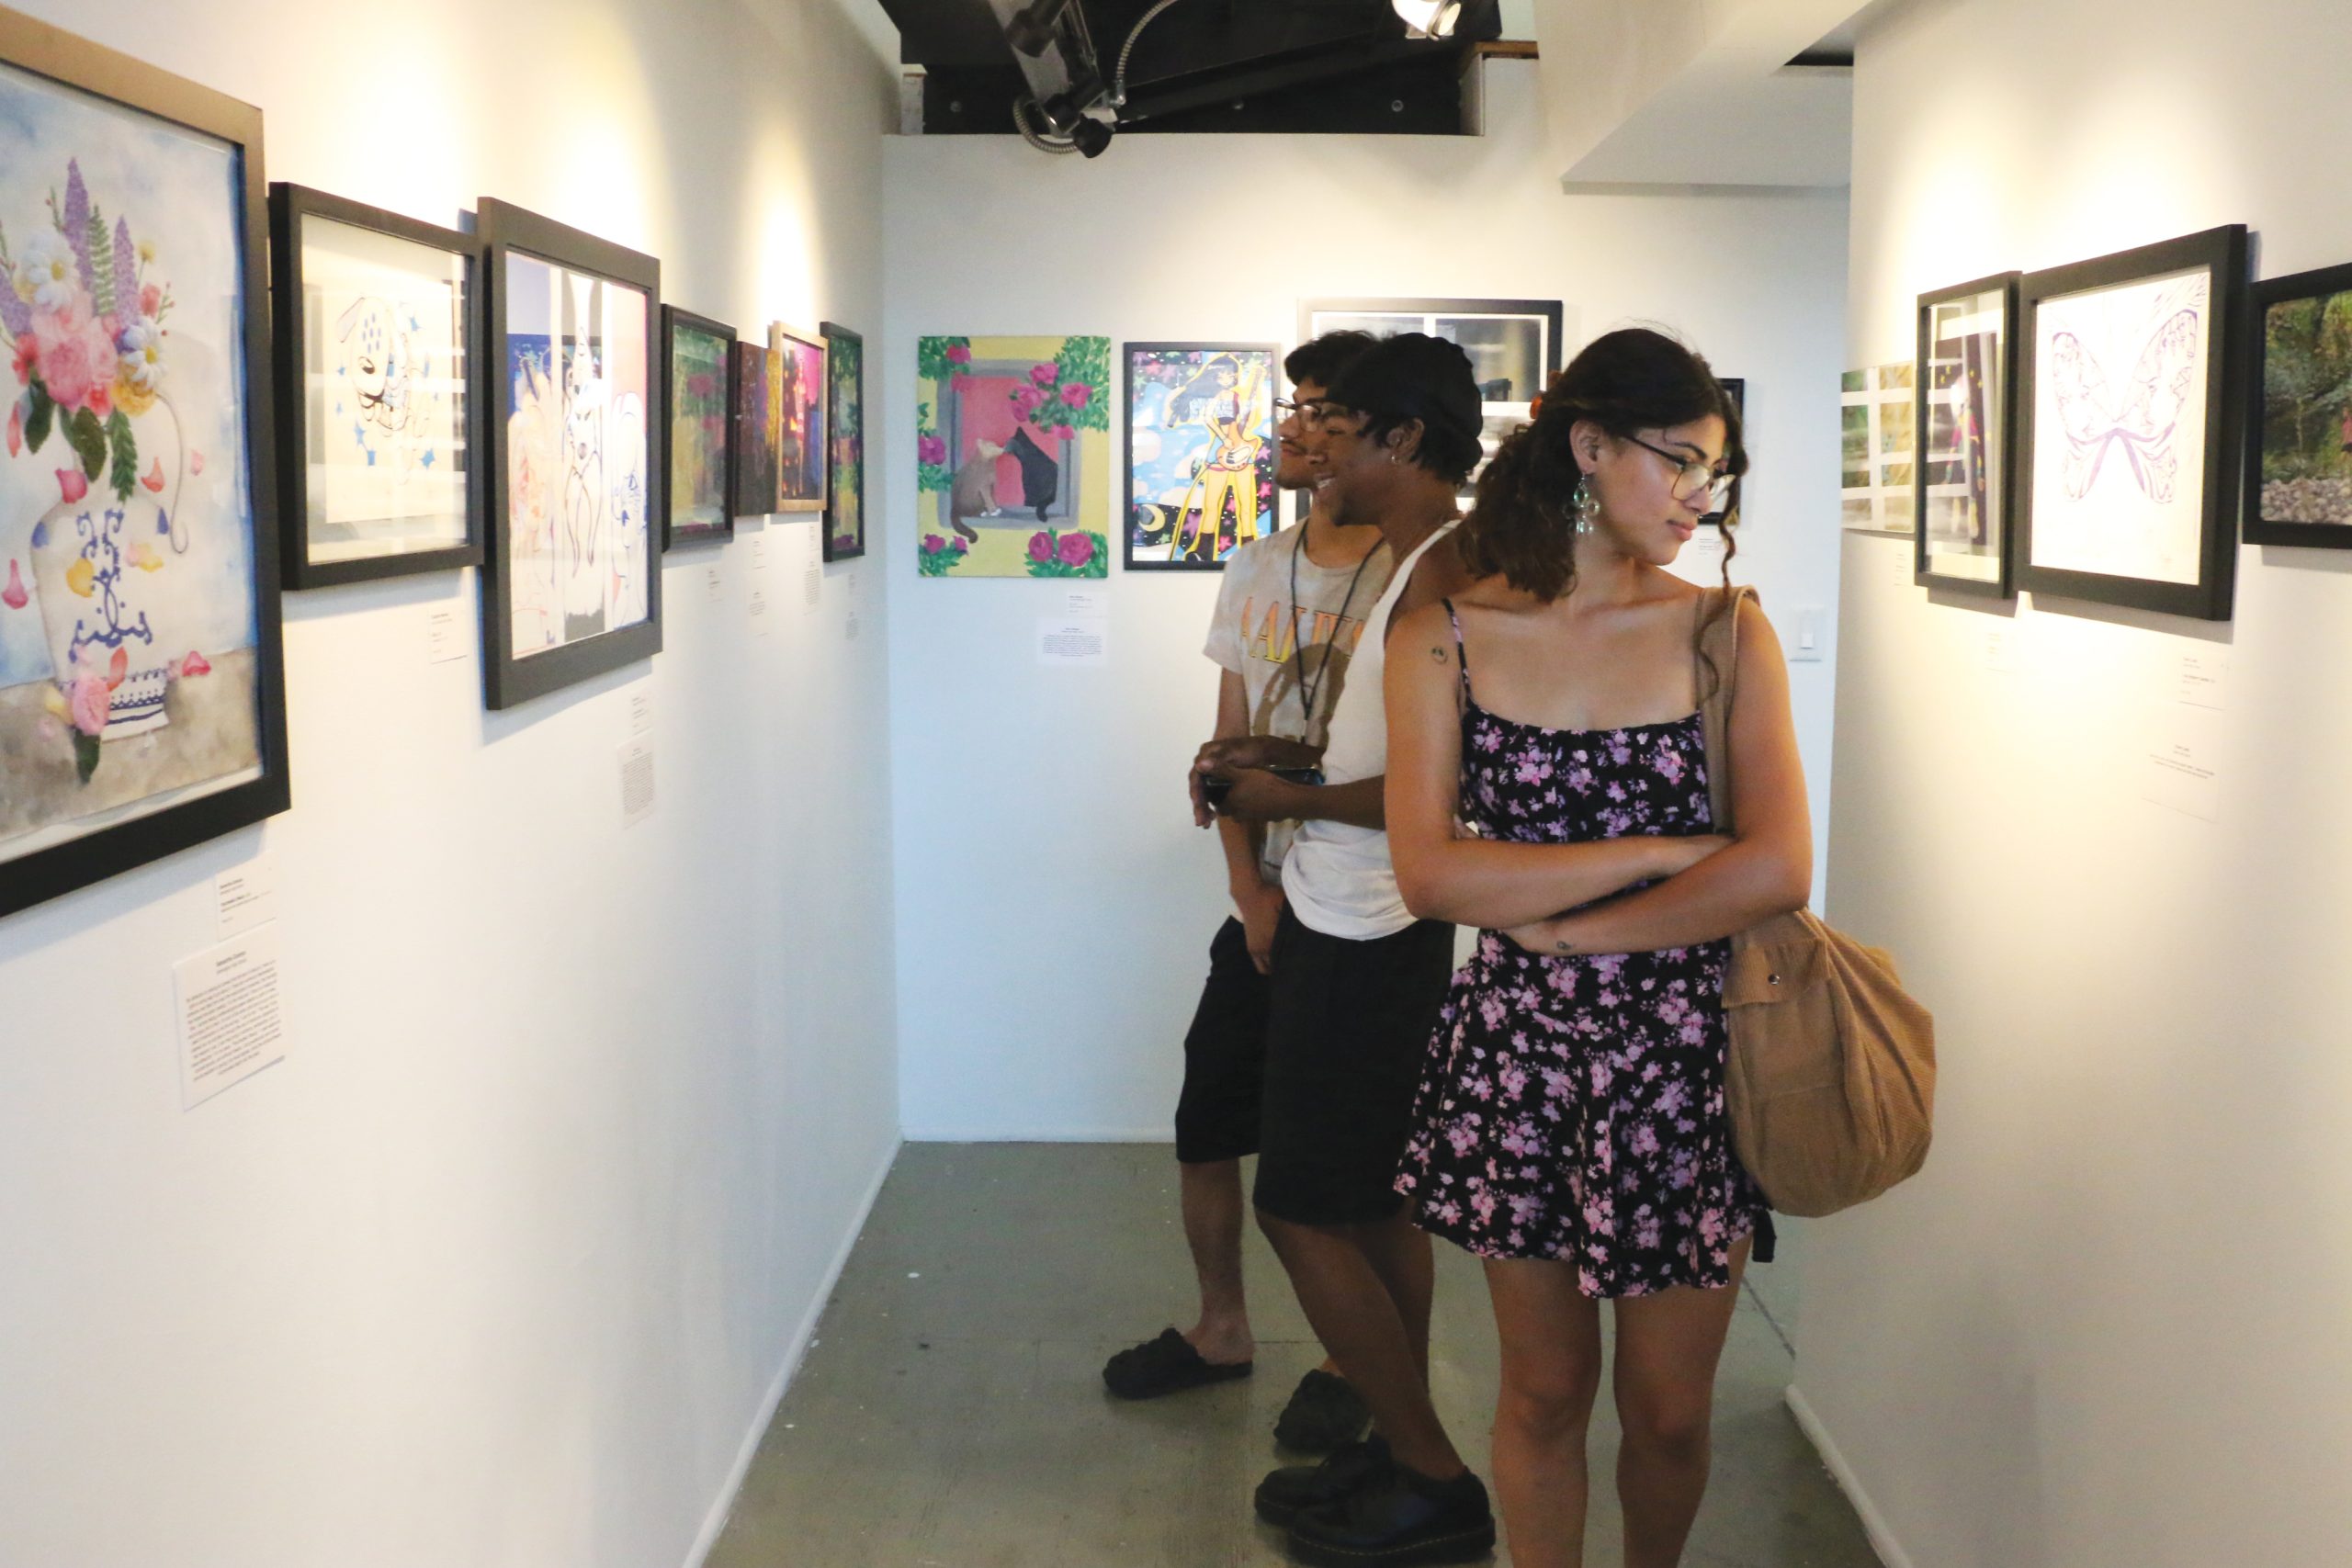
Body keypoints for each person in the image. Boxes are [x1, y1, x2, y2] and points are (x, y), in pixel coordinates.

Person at [1384, 327, 1811, 1568]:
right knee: (1542, 1394)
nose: (1698, 497)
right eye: (1681, 462)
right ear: (1589, 446)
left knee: (1671, 1410)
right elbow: (1433, 872)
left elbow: (1778, 866)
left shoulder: (1727, 630)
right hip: (1524, 1062)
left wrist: (1566, 925)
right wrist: (1673, 852)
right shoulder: (1442, 635)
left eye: (1713, 476)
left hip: (1687, 1058)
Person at [1195, 333, 1493, 1567]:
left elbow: (1450, 794)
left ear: (1403, 439)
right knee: (1366, 1201)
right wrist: (1274, 771)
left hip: (1379, 923)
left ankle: (1430, 1469)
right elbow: (1378, 749)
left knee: (1303, 1204)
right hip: (1338, 908)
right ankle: (1400, 1441)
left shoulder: (1447, 573)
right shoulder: (1412, 558)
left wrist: (1290, 804)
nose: (1312, 440)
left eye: (1337, 421)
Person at [1102, 332, 1390, 1457]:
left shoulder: (1415, 576)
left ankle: (1346, 1359)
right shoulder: (1256, 567)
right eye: (1294, 404)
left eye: (1320, 409)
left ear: (1377, 435)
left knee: (1344, 1161)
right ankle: (1222, 1325)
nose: (1293, 426)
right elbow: (1226, 747)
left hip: (1366, 903)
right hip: (1267, 897)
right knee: (1206, 1123)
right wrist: (1246, 891)